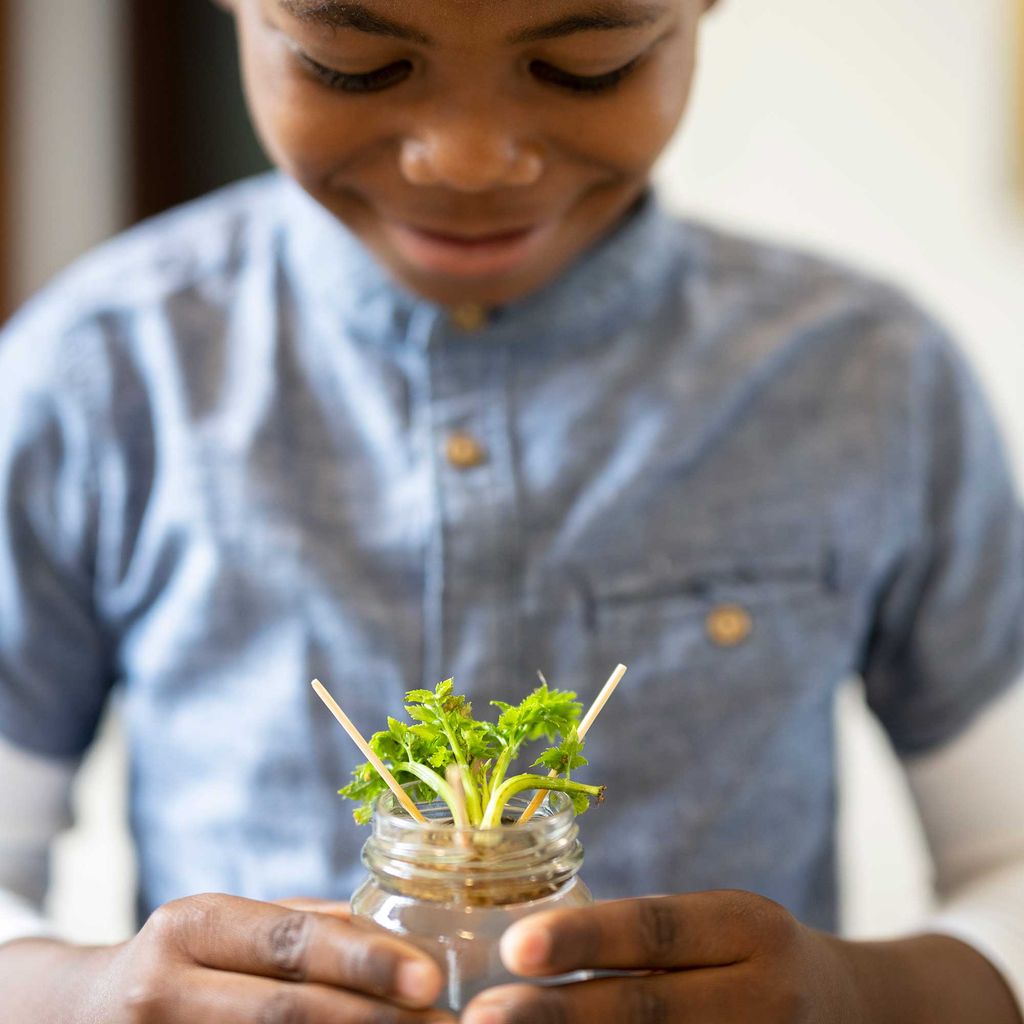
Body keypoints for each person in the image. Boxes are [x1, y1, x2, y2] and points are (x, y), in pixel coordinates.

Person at [1, 0, 1023, 1021]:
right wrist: (85, 995)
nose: (469, 159)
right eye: (350, 63)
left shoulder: (869, 379)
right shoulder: (96, 378)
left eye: (587, 65)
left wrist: (861, 994)